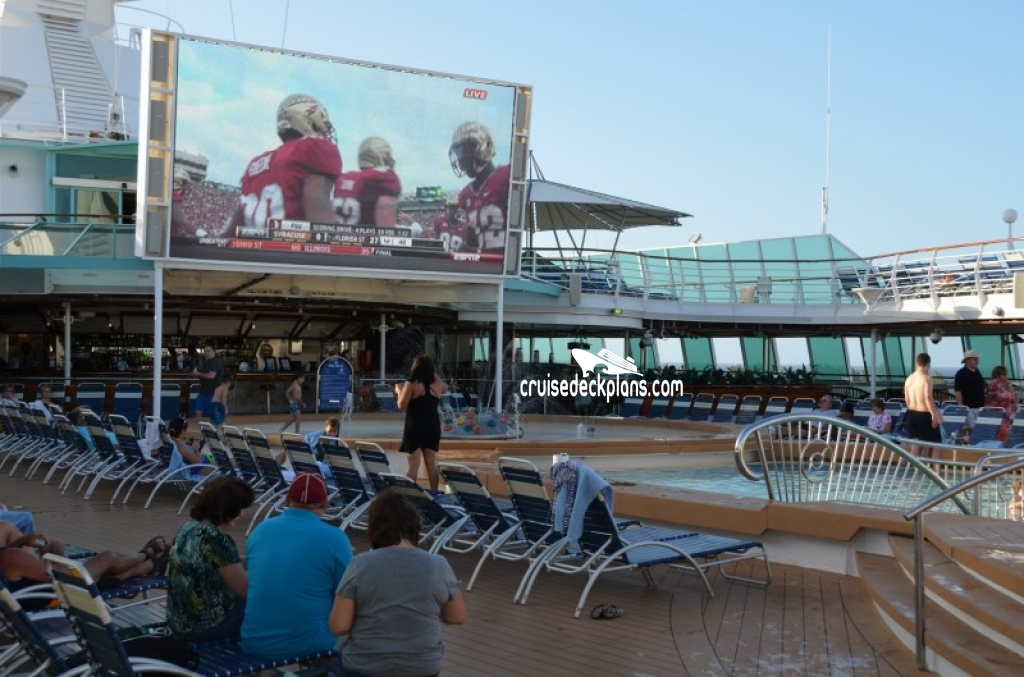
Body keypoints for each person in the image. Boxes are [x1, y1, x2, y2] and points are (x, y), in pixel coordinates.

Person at [330, 491, 465, 677]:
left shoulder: (360, 564)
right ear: (414, 526)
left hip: (366, 666)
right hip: (421, 667)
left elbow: (339, 626)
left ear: (374, 527)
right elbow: (457, 616)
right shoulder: (438, 564)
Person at [241, 473, 353, 661]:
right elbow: (348, 593)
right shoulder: (334, 538)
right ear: (325, 503)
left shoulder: (260, 530)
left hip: (255, 641)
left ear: (287, 500)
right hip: (309, 644)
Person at [230, 93, 341, 235]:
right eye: (320, 125)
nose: (324, 131)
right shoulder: (313, 148)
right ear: (308, 120)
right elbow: (322, 230)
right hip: (291, 253)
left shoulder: (255, 163)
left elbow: (235, 227)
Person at [167, 476, 254, 642]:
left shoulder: (188, 528)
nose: (241, 515)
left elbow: (216, 564)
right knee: (271, 604)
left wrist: (250, 561)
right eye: (238, 509)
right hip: (207, 627)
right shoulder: (218, 539)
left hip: (180, 621)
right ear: (224, 511)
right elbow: (245, 592)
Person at [0, 521, 168, 606]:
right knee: (107, 557)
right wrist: (54, 551)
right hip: (58, 598)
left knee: (107, 564)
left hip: (32, 592)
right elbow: (61, 573)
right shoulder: (15, 558)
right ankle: (142, 556)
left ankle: (145, 567)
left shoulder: (11, 556)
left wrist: (23, 542)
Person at [449, 121, 510, 254]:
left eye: (467, 149)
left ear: (485, 146)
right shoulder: (466, 195)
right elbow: (473, 242)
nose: (461, 158)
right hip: (485, 266)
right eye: (458, 152)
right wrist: (467, 249)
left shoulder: (507, 176)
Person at [397, 355, 448, 491]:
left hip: (415, 425)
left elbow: (401, 405)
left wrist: (398, 391)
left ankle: (410, 494)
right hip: (432, 425)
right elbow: (445, 388)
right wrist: (432, 374)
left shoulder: (411, 384)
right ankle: (434, 494)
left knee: (413, 463)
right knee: (431, 463)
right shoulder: (438, 384)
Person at [333, 137, 402, 227]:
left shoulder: (341, 179)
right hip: (368, 238)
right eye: (387, 155)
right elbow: (386, 231)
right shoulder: (382, 179)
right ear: (379, 156)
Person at [904, 352, 944, 458]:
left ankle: (916, 470)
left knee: (917, 444)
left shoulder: (909, 379)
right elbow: (928, 397)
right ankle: (935, 472)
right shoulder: (927, 378)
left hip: (911, 414)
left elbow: (907, 399)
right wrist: (933, 415)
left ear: (916, 363)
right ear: (928, 364)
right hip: (924, 415)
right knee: (936, 445)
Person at [190, 345, 224, 432]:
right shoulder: (205, 363)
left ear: (214, 352)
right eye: (205, 351)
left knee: (215, 416)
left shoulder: (216, 362)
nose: (206, 353)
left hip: (214, 392)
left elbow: (211, 376)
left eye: (208, 351)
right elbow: (204, 376)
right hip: (204, 391)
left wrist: (198, 373)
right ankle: (199, 431)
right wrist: (196, 374)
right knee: (198, 410)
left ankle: (218, 434)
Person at [954, 349, 985, 443]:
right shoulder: (961, 374)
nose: (976, 361)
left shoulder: (977, 372)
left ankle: (968, 444)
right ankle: (964, 444)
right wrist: (961, 405)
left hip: (978, 406)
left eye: (976, 359)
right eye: (973, 359)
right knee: (969, 428)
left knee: (971, 428)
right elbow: (958, 391)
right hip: (968, 407)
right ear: (967, 360)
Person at [984, 365, 1017, 442]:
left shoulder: (1008, 385)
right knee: (1002, 436)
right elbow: (999, 397)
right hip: (996, 415)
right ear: (997, 375)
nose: (1005, 376)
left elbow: (1013, 398)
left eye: (1006, 374)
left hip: (1008, 416)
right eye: (1003, 374)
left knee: (1006, 436)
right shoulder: (993, 384)